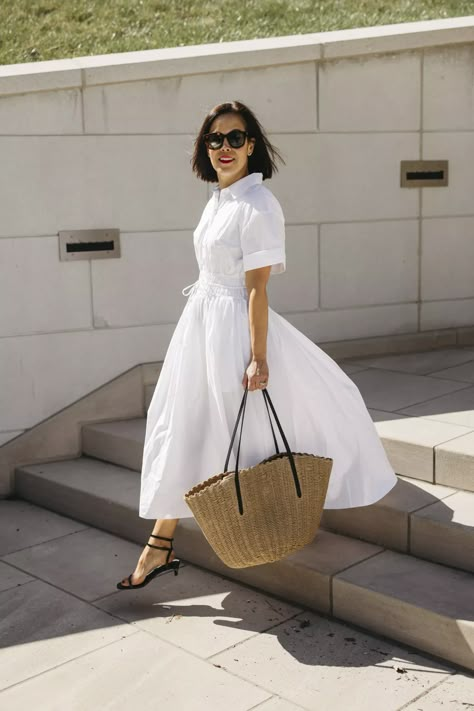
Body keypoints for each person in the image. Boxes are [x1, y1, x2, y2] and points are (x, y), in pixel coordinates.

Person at [117, 100, 397, 590]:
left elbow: (256, 289)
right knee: (186, 424)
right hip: (200, 324)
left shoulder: (259, 205)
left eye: (234, 138)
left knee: (223, 429)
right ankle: (161, 541)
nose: (224, 148)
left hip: (230, 329)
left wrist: (258, 356)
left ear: (252, 145)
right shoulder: (220, 198)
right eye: (214, 139)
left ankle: (174, 540)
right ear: (205, 147)